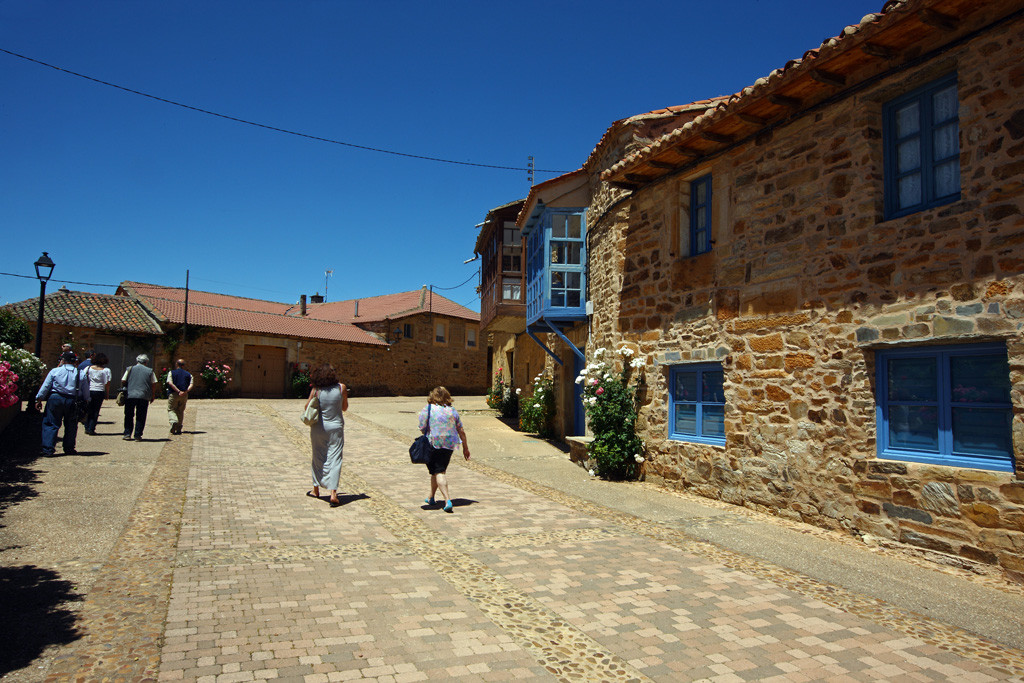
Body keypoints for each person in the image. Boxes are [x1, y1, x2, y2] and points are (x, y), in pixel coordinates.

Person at [418, 386, 470, 513]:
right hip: (449, 445)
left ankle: (447, 500)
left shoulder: (428, 409)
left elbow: (421, 427)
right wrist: (465, 448)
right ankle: (431, 497)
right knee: (436, 470)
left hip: (433, 443)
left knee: (439, 472)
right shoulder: (452, 411)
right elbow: (461, 430)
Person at [305, 363, 348, 507]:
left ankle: (315, 489)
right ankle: (333, 493)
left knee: (318, 456)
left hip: (318, 428)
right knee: (335, 458)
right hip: (335, 428)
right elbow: (345, 408)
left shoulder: (316, 390)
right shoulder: (341, 387)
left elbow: (307, 407)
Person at [34, 351, 89, 456]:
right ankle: (69, 448)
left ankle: (48, 449)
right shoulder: (80, 373)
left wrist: (39, 399)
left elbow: (46, 386)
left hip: (55, 398)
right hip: (73, 400)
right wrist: (87, 400)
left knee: (51, 423)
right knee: (71, 424)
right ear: (75, 362)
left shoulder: (55, 371)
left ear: (63, 360)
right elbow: (85, 390)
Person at [121, 354, 158, 441]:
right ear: (146, 362)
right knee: (141, 416)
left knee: (129, 415)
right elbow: (154, 383)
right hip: (143, 396)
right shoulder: (150, 371)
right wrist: (152, 395)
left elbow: (123, 380)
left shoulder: (130, 369)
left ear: (137, 361)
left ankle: (127, 433)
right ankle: (137, 435)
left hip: (130, 395)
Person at [83, 352, 111, 435]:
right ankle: (91, 428)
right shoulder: (106, 370)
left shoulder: (88, 368)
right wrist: (107, 393)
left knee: (88, 409)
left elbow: (83, 379)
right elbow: (107, 383)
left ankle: (86, 426)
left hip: (89, 390)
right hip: (99, 391)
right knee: (96, 410)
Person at [166, 358, 194, 435]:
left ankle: (174, 421)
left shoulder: (171, 372)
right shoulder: (188, 374)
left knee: (171, 409)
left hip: (174, 394)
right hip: (184, 395)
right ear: (184, 366)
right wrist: (185, 391)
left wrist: (178, 391)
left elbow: (170, 383)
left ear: (176, 364)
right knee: (180, 410)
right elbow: (191, 384)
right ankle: (178, 427)